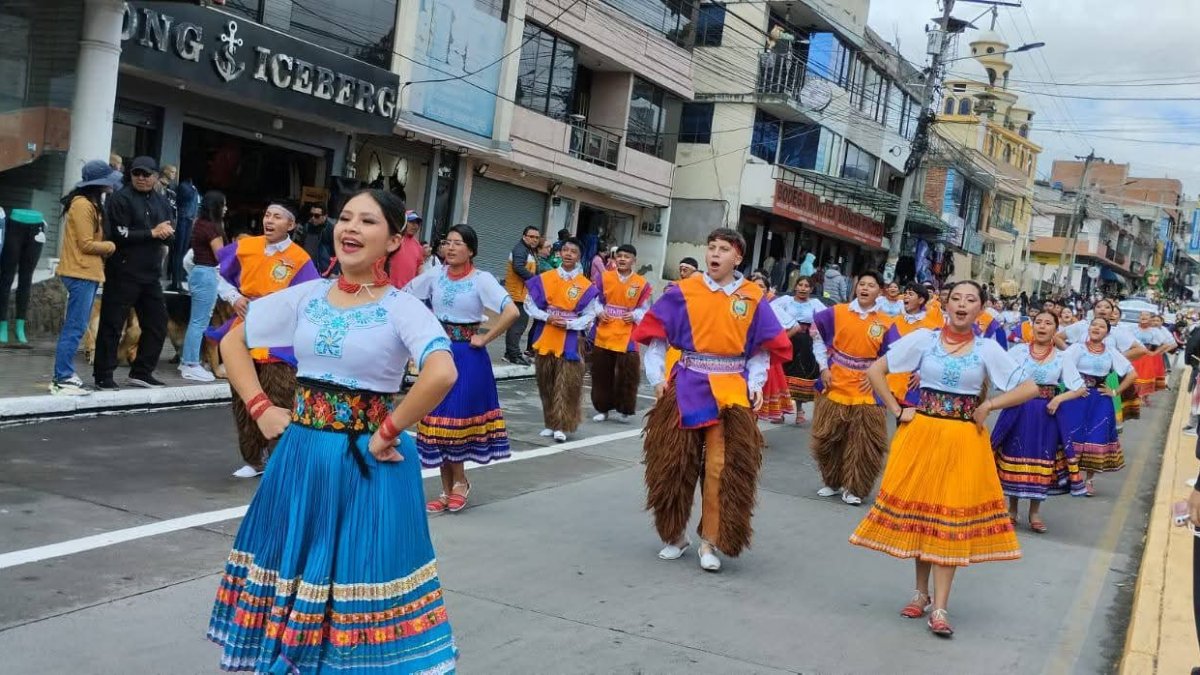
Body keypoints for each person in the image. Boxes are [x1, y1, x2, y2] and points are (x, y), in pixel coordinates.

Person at [207, 188, 459, 674]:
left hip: (365, 461)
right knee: (297, 568)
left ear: (391, 241)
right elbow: (232, 343)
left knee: (358, 573)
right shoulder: (306, 297)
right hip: (300, 454)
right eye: (345, 218)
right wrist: (260, 407)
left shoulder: (402, 307)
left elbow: (442, 372)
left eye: (367, 222)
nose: (350, 229)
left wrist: (388, 431)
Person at [854, 280, 1037, 638]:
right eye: (956, 298)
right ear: (945, 305)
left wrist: (989, 404)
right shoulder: (924, 339)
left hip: (963, 439)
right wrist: (897, 409)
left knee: (949, 523)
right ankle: (920, 594)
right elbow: (877, 371)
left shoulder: (987, 349)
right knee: (925, 517)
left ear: (981, 308)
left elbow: (1030, 387)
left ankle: (940, 607)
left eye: (971, 300)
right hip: (921, 435)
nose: (962, 305)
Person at [634, 228, 791, 572]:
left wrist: (757, 382)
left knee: (722, 468)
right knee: (674, 464)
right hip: (686, 383)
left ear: (738, 257)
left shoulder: (751, 296)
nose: (715, 254)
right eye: (711, 247)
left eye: (724, 249)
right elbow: (656, 340)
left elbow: (762, 348)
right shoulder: (684, 291)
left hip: (731, 389)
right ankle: (674, 535)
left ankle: (711, 540)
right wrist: (658, 378)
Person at [408, 224, 519, 514]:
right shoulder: (435, 276)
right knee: (435, 420)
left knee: (454, 420)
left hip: (468, 356)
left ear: (471, 250)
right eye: (448, 242)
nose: (451, 248)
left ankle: (460, 483)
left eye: (458, 243)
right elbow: (406, 298)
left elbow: (512, 312)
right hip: (437, 352)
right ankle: (446, 490)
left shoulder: (481, 280)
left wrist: (485, 337)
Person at [211, 201, 319, 478]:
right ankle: (252, 459)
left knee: (280, 395)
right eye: (267, 214)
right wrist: (234, 297)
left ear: (291, 225)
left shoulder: (300, 258)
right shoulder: (246, 246)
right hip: (244, 328)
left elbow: (310, 299)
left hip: (279, 337)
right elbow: (219, 273)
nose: (269, 220)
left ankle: (280, 457)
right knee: (242, 395)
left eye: (278, 216)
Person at [991, 310, 1089, 533]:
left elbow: (1079, 386)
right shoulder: (1017, 352)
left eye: (1048, 324)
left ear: (1056, 330)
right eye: (1038, 322)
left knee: (1041, 460)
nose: (1042, 327)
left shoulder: (1062, 358)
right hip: (1018, 410)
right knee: (1013, 454)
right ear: (1032, 326)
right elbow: (1001, 377)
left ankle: (1034, 512)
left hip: (1046, 414)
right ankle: (1011, 510)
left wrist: (1058, 397)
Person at [93, 156, 175, 390]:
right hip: (123, 271)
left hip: (150, 274)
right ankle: (103, 375)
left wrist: (165, 234)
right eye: (136, 173)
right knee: (112, 324)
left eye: (146, 174)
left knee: (158, 323)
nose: (141, 177)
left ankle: (141, 372)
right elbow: (119, 234)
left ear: (156, 177)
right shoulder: (120, 199)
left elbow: (170, 231)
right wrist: (152, 233)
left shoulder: (162, 202)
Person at [810, 271, 891, 505]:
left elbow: (893, 354)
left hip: (867, 388)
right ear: (856, 287)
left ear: (880, 291)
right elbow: (817, 337)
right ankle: (832, 481)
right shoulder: (837, 312)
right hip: (836, 382)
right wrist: (823, 367)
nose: (865, 288)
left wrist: (878, 373)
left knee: (865, 443)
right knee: (827, 438)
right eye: (862, 284)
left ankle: (856, 487)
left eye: (871, 285)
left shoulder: (886, 321)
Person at [50, 160, 122, 396]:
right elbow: (86, 243)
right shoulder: (83, 205)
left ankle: (64, 375)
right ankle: (62, 377)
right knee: (75, 327)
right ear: (99, 183)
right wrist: (111, 246)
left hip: (86, 272)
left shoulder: (90, 203)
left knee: (77, 326)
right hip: (79, 271)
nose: (113, 183)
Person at [525, 237, 600, 442]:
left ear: (579, 257)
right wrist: (547, 317)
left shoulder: (585, 286)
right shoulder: (546, 277)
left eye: (573, 251)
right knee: (545, 380)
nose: (567, 254)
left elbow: (590, 315)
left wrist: (569, 324)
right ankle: (550, 422)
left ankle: (562, 424)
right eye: (565, 250)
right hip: (546, 333)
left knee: (566, 383)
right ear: (559, 253)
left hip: (570, 339)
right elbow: (530, 304)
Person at [1057, 317, 1137, 496]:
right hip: (1076, 398)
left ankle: (1089, 480)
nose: (1097, 328)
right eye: (1094, 325)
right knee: (1072, 435)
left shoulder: (1111, 352)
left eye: (1101, 327)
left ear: (1107, 333)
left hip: (1101, 400)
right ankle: (1071, 476)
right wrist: (1075, 386)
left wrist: (1115, 392)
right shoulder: (1077, 348)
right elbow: (1061, 366)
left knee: (1096, 437)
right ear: (1089, 329)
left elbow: (1132, 374)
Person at [590, 244, 652, 424]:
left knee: (628, 372)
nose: (623, 259)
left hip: (628, 333)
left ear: (634, 260)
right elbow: (595, 300)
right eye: (620, 256)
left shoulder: (641, 284)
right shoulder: (604, 277)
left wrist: (634, 315)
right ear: (614, 258)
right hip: (605, 331)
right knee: (601, 372)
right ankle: (602, 408)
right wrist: (599, 311)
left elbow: (645, 309)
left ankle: (625, 407)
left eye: (627, 256)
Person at [178, 191, 228, 382]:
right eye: (223, 205)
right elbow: (220, 255)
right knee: (200, 322)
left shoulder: (198, 223)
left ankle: (188, 361)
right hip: (207, 274)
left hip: (198, 272)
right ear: (216, 207)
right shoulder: (212, 228)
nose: (226, 208)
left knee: (197, 320)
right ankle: (190, 363)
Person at [773, 277, 827, 425]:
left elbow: (828, 318)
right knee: (783, 374)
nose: (803, 288)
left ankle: (799, 410)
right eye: (800, 285)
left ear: (811, 289)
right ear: (795, 286)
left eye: (807, 286)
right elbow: (770, 312)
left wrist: (817, 332)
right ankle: (781, 411)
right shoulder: (785, 301)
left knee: (800, 375)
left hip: (806, 343)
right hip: (787, 340)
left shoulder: (815, 304)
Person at [879, 282, 942, 409]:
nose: (906, 297)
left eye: (911, 294)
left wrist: (921, 372)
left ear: (921, 300)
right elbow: (884, 350)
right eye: (905, 293)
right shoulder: (894, 323)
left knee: (909, 422)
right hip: (892, 381)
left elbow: (937, 354)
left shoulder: (932, 327)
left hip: (914, 383)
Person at [750, 272, 794, 423]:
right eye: (753, 285)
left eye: (761, 286)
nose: (757, 288)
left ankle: (752, 433)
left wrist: (775, 343)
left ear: (766, 291)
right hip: (742, 359)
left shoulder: (772, 308)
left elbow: (794, 326)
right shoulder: (741, 305)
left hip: (763, 360)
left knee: (757, 395)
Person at [503, 226, 540, 366]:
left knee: (518, 325)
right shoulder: (520, 249)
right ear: (524, 236)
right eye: (531, 236)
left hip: (522, 294)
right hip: (517, 294)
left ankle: (510, 353)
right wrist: (535, 281)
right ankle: (513, 354)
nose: (534, 239)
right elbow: (518, 267)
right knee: (518, 326)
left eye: (537, 237)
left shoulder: (527, 250)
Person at [1131, 312, 1169, 402]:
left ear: (1150, 319)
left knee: (1145, 377)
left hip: (1146, 357)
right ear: (1139, 318)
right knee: (1133, 377)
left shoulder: (1154, 331)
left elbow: (1165, 344)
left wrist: (1155, 352)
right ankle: (1135, 395)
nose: (1144, 317)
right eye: (1142, 315)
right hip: (1133, 356)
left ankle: (1144, 395)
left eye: (1147, 315)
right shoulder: (1131, 329)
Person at [386, 209, 425, 289]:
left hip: (408, 293)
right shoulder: (393, 239)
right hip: (388, 290)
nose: (415, 226)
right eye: (412, 222)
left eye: (417, 223)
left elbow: (420, 267)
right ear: (404, 223)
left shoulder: (418, 246)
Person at [297, 204, 336, 274]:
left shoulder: (331, 230)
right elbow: (301, 246)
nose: (313, 218)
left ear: (325, 216)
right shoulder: (306, 226)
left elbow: (337, 253)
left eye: (317, 216)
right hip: (305, 266)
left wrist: (334, 271)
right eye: (311, 215)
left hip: (322, 269)